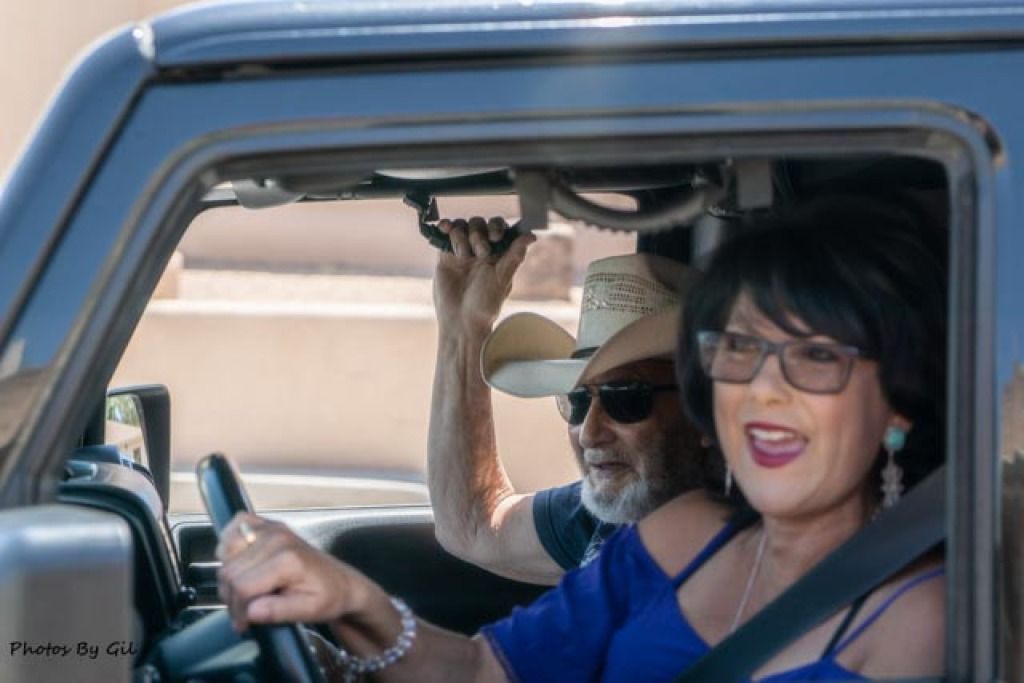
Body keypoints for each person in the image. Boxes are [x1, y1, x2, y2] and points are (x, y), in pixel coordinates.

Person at [217, 197, 947, 682]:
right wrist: (354, 601)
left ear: (898, 406)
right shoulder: (680, 535)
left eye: (817, 357)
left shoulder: (923, 614)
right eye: (738, 353)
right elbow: (482, 671)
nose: (764, 392)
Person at [428, 216, 710, 583]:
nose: (589, 432)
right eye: (578, 401)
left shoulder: (740, 553)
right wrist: (463, 326)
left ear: (705, 410)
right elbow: (473, 527)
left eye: (623, 400)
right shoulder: (615, 509)